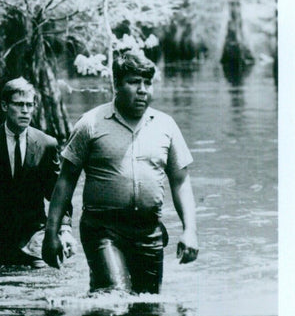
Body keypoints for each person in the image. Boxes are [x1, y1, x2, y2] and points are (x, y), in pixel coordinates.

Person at [42, 50, 199, 294]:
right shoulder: (91, 123)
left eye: (147, 82)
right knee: (113, 300)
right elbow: (66, 180)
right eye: (134, 82)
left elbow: (180, 181)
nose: (143, 89)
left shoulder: (165, 125)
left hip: (149, 231)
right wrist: (52, 233)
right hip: (103, 230)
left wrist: (190, 231)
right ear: (116, 85)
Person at [0, 78, 75, 268]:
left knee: (42, 284)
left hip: (33, 238)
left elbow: (57, 194)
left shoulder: (46, 144)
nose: (25, 110)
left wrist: (65, 231)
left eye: (29, 105)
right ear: (4, 106)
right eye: (18, 104)